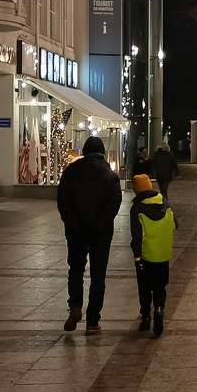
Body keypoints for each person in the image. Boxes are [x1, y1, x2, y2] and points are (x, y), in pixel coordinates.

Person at [57, 136, 122, 334]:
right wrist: (99, 225)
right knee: (98, 275)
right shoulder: (110, 176)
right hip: (100, 234)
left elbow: (63, 202)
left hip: (76, 232)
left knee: (75, 269)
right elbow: (113, 206)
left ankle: (75, 306)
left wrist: (74, 224)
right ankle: (93, 321)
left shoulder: (70, 173)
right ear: (102, 152)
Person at [129, 174, 177, 336]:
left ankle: (146, 317)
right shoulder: (166, 204)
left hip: (145, 255)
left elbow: (136, 237)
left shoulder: (137, 209)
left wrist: (136, 256)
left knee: (144, 287)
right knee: (159, 286)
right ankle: (159, 309)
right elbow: (174, 225)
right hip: (163, 254)